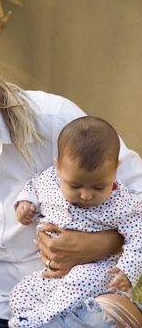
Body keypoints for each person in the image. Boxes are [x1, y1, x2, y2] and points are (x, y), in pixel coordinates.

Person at [0, 22, 141, 328]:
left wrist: (101, 244)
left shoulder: (54, 118)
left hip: (77, 302)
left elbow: (137, 197)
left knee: (104, 317)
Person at [9, 116, 142, 327]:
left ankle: (43, 320)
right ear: (59, 167)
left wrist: (127, 270)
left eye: (99, 187)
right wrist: (26, 203)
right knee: (23, 292)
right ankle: (32, 317)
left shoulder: (122, 202)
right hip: (53, 275)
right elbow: (33, 186)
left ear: (116, 170)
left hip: (96, 272)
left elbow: (139, 237)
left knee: (80, 278)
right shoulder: (49, 181)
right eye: (75, 186)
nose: (86, 195)